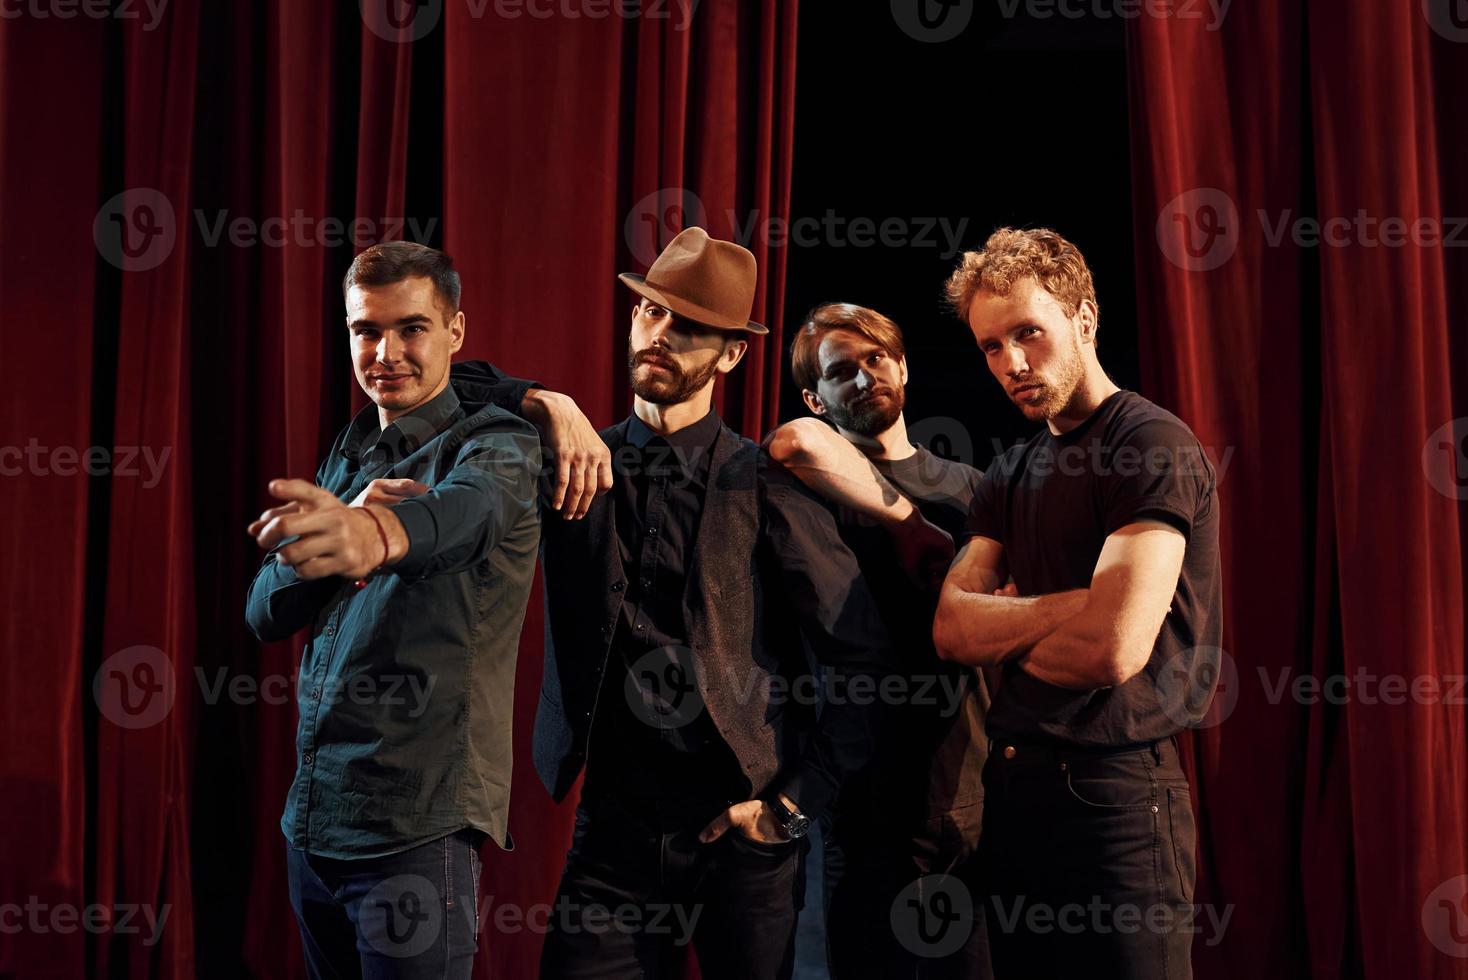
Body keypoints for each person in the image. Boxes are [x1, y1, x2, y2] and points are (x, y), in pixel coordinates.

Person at [534, 227, 895, 980]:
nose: (662, 335)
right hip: (613, 837)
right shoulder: (575, 466)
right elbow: (456, 387)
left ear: (731, 353)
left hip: (741, 834)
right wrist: (540, 400)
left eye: (691, 325)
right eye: (653, 313)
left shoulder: (765, 481)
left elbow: (861, 654)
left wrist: (793, 807)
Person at [245, 241, 609, 980]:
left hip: (415, 837)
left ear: (456, 332)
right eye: (365, 331)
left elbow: (458, 518)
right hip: (313, 826)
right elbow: (263, 613)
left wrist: (373, 533)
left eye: (411, 328)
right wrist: (336, 522)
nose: (386, 352)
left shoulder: (498, 445)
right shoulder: (351, 447)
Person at [932, 227, 1221, 980]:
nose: (1013, 364)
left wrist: (1016, 621)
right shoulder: (1009, 471)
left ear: (1083, 319)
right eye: (991, 347)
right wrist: (1079, 605)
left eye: (1029, 333)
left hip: (1116, 799)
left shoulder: (1148, 443)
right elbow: (953, 628)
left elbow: (1113, 650)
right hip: (1016, 791)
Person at [766, 302, 992, 978]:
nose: (864, 378)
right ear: (816, 396)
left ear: (902, 366)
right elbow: (792, 441)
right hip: (862, 801)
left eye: (875, 360)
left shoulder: (973, 489)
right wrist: (906, 522)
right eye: (842, 371)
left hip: (967, 795)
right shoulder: (808, 488)